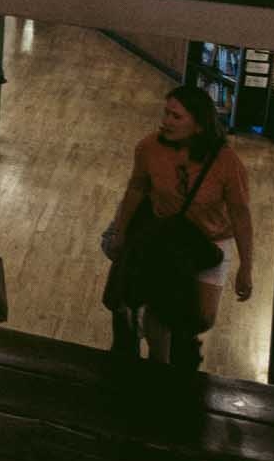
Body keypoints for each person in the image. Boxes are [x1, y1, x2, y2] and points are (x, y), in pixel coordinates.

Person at [101, 85, 255, 369]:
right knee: (160, 306)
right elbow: (136, 188)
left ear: (199, 125)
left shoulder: (227, 163)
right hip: (166, 237)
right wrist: (120, 232)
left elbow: (240, 213)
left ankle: (178, 344)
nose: (166, 122)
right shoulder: (149, 148)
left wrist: (246, 266)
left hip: (209, 242)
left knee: (203, 318)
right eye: (166, 114)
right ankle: (156, 365)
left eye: (176, 117)